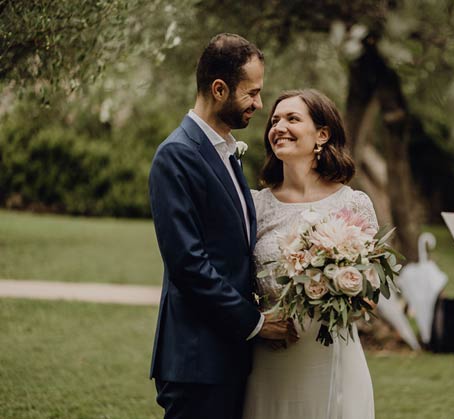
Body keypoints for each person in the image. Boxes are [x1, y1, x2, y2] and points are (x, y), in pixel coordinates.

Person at [148, 33, 297, 419]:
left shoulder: (228, 152)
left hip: (228, 355)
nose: (259, 104)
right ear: (219, 89)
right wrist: (256, 323)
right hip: (197, 360)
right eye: (252, 93)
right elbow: (189, 265)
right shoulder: (177, 155)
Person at [242, 89, 376, 418]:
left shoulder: (354, 203)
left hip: (334, 357)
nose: (278, 127)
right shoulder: (256, 205)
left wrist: (349, 292)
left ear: (322, 134)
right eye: (274, 120)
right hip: (273, 356)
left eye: (292, 119)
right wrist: (257, 322)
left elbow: (371, 290)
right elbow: (236, 279)